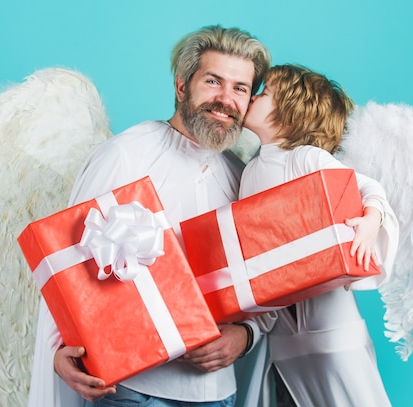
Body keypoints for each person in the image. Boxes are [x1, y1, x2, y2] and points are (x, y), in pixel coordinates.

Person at [28, 25, 271, 407]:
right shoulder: (126, 155)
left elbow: (265, 282)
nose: (226, 99)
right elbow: (70, 264)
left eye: (240, 88)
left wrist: (245, 337)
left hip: (221, 394)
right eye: (213, 81)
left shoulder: (243, 176)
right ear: (181, 86)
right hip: (136, 392)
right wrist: (59, 351)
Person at [237, 64, 399, 407]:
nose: (253, 96)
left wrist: (372, 218)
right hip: (283, 334)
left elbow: (367, 187)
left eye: (263, 93)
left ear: (289, 115)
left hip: (330, 329)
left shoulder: (305, 159)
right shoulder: (250, 170)